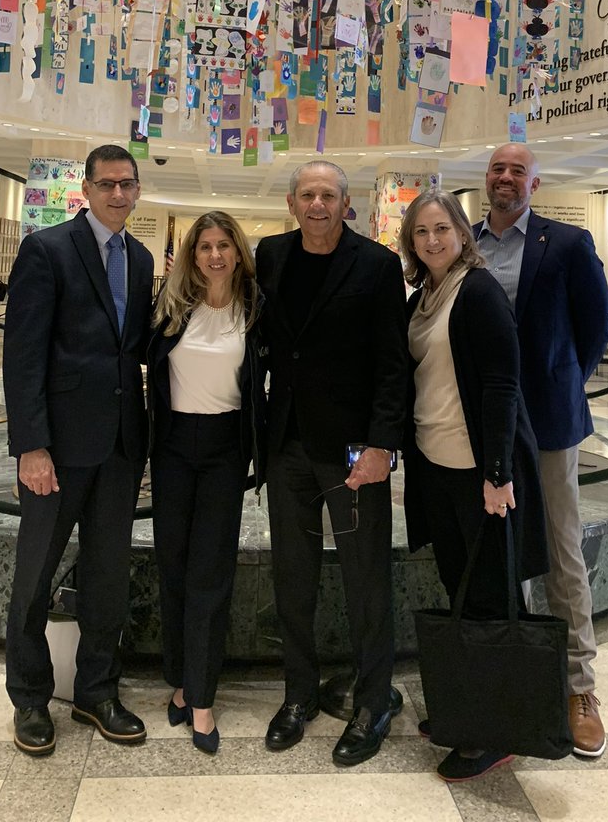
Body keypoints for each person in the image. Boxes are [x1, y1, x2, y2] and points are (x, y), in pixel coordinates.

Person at [255, 160, 408, 767]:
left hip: (352, 451)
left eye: (329, 195)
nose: (317, 204)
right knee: (293, 576)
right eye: (307, 194)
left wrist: (381, 444)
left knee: (364, 575)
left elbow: (393, 364)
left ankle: (374, 700)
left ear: (347, 204)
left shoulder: (376, 265)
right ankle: (299, 694)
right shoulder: (270, 255)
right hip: (287, 443)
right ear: (292, 203)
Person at [3, 144, 154, 758]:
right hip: (58, 449)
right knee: (35, 575)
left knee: (107, 575)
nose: (118, 194)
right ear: (85, 190)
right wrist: (31, 445)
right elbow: (23, 355)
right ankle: (31, 697)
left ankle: (96, 689)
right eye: (107, 184)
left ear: (138, 191)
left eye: (128, 184)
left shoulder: (141, 259)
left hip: (120, 445)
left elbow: (137, 348)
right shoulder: (47, 250)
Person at [398, 189, 548, 783]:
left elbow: (501, 384)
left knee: (490, 598)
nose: (432, 240)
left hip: (478, 473)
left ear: (463, 232)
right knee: (461, 590)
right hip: (437, 467)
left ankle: (496, 730)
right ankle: (470, 708)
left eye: (442, 229)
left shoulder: (479, 290)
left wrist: (496, 474)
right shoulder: (426, 295)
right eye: (421, 233)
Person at [473, 144, 608, 758]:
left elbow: (594, 329)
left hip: (549, 422)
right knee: (504, 550)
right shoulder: (467, 242)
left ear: (534, 181)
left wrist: (558, 385)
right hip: (484, 425)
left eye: (516, 170)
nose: (506, 178)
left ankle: (579, 686)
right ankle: (521, 674)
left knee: (561, 550)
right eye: (497, 169)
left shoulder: (568, 244)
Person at [149, 211, 265, 756]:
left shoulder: (255, 311)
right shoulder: (172, 309)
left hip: (224, 450)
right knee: (172, 565)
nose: (214, 255)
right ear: (192, 256)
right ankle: (180, 677)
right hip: (173, 448)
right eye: (204, 247)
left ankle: (201, 698)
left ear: (238, 253)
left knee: (209, 573)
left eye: (224, 246)